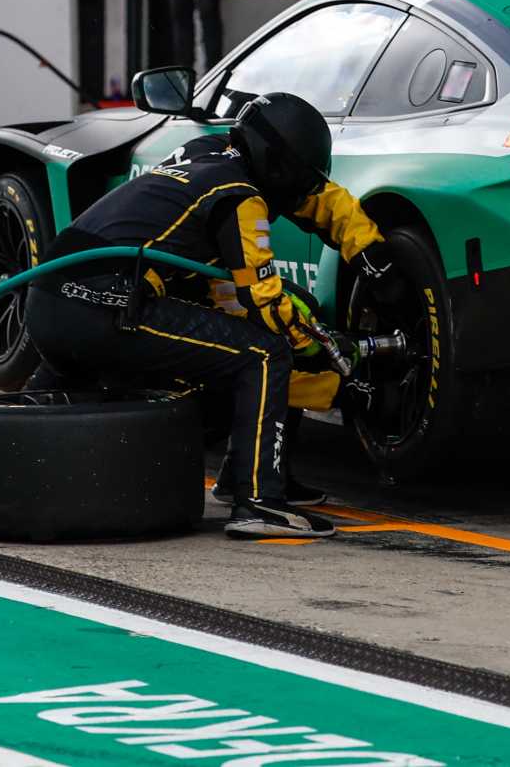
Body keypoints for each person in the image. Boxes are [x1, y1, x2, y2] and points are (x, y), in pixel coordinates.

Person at [20, 92, 392, 540]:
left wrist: (368, 249)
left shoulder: (209, 153)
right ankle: (259, 501)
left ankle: (246, 473)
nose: (304, 190)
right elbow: (265, 303)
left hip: (49, 303)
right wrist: (329, 351)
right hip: (105, 307)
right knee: (267, 353)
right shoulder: (239, 197)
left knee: (282, 317)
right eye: (301, 177)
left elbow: (319, 200)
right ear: (278, 166)